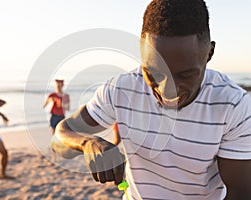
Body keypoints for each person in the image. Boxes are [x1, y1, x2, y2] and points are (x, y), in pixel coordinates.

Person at [51, 0, 251, 199]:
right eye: (155, 73)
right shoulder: (121, 90)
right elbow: (59, 140)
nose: (167, 91)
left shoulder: (233, 106)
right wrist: (87, 143)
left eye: (185, 75)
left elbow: (241, 192)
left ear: (209, 53)